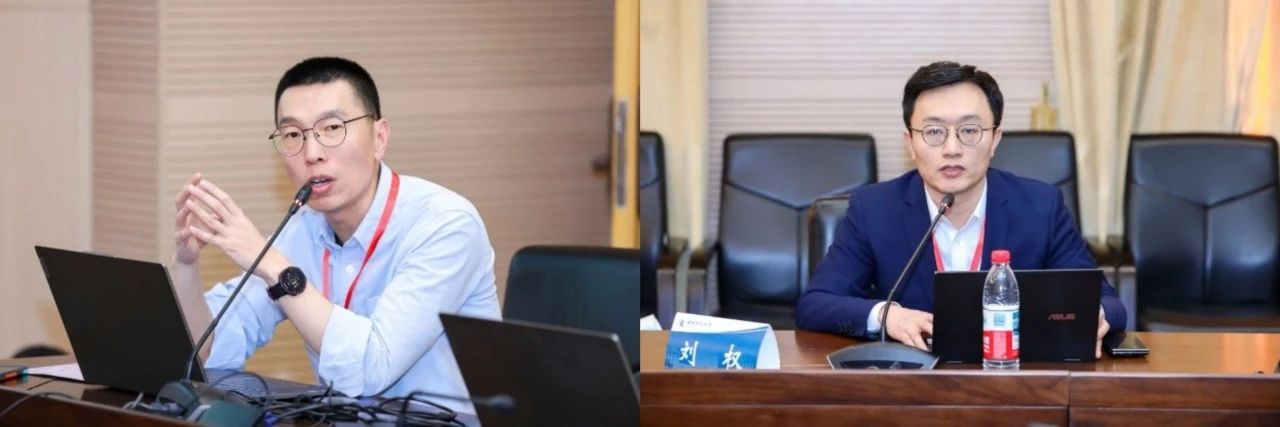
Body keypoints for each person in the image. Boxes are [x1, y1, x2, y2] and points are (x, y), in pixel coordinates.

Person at [170, 57, 501, 414]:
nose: (312, 153)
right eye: (293, 134)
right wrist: (186, 265)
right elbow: (206, 352)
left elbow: (372, 370)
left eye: (331, 128)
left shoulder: (445, 224)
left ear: (379, 137)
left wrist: (272, 266)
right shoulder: (304, 227)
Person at [795, 61, 1125, 358]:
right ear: (910, 143)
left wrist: (1095, 315)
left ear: (995, 139)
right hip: (912, 385)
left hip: (1013, 380)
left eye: (969, 131)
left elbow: (1109, 303)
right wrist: (887, 315)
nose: (952, 149)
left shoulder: (1041, 206)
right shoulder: (874, 209)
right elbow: (815, 304)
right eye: (934, 132)